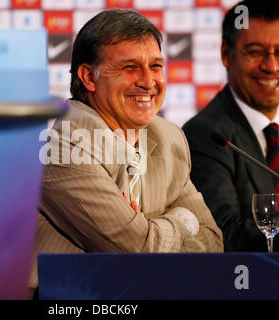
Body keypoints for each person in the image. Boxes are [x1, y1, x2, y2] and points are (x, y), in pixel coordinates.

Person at [28, 9, 223, 297]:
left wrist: (148, 228)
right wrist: (182, 221)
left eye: (156, 66)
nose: (148, 81)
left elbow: (213, 244)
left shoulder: (168, 137)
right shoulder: (63, 145)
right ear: (88, 77)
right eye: (130, 67)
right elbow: (137, 252)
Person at [183, 0, 279, 252]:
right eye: (255, 51)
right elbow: (224, 233)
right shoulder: (204, 135)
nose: (271, 66)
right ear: (226, 54)